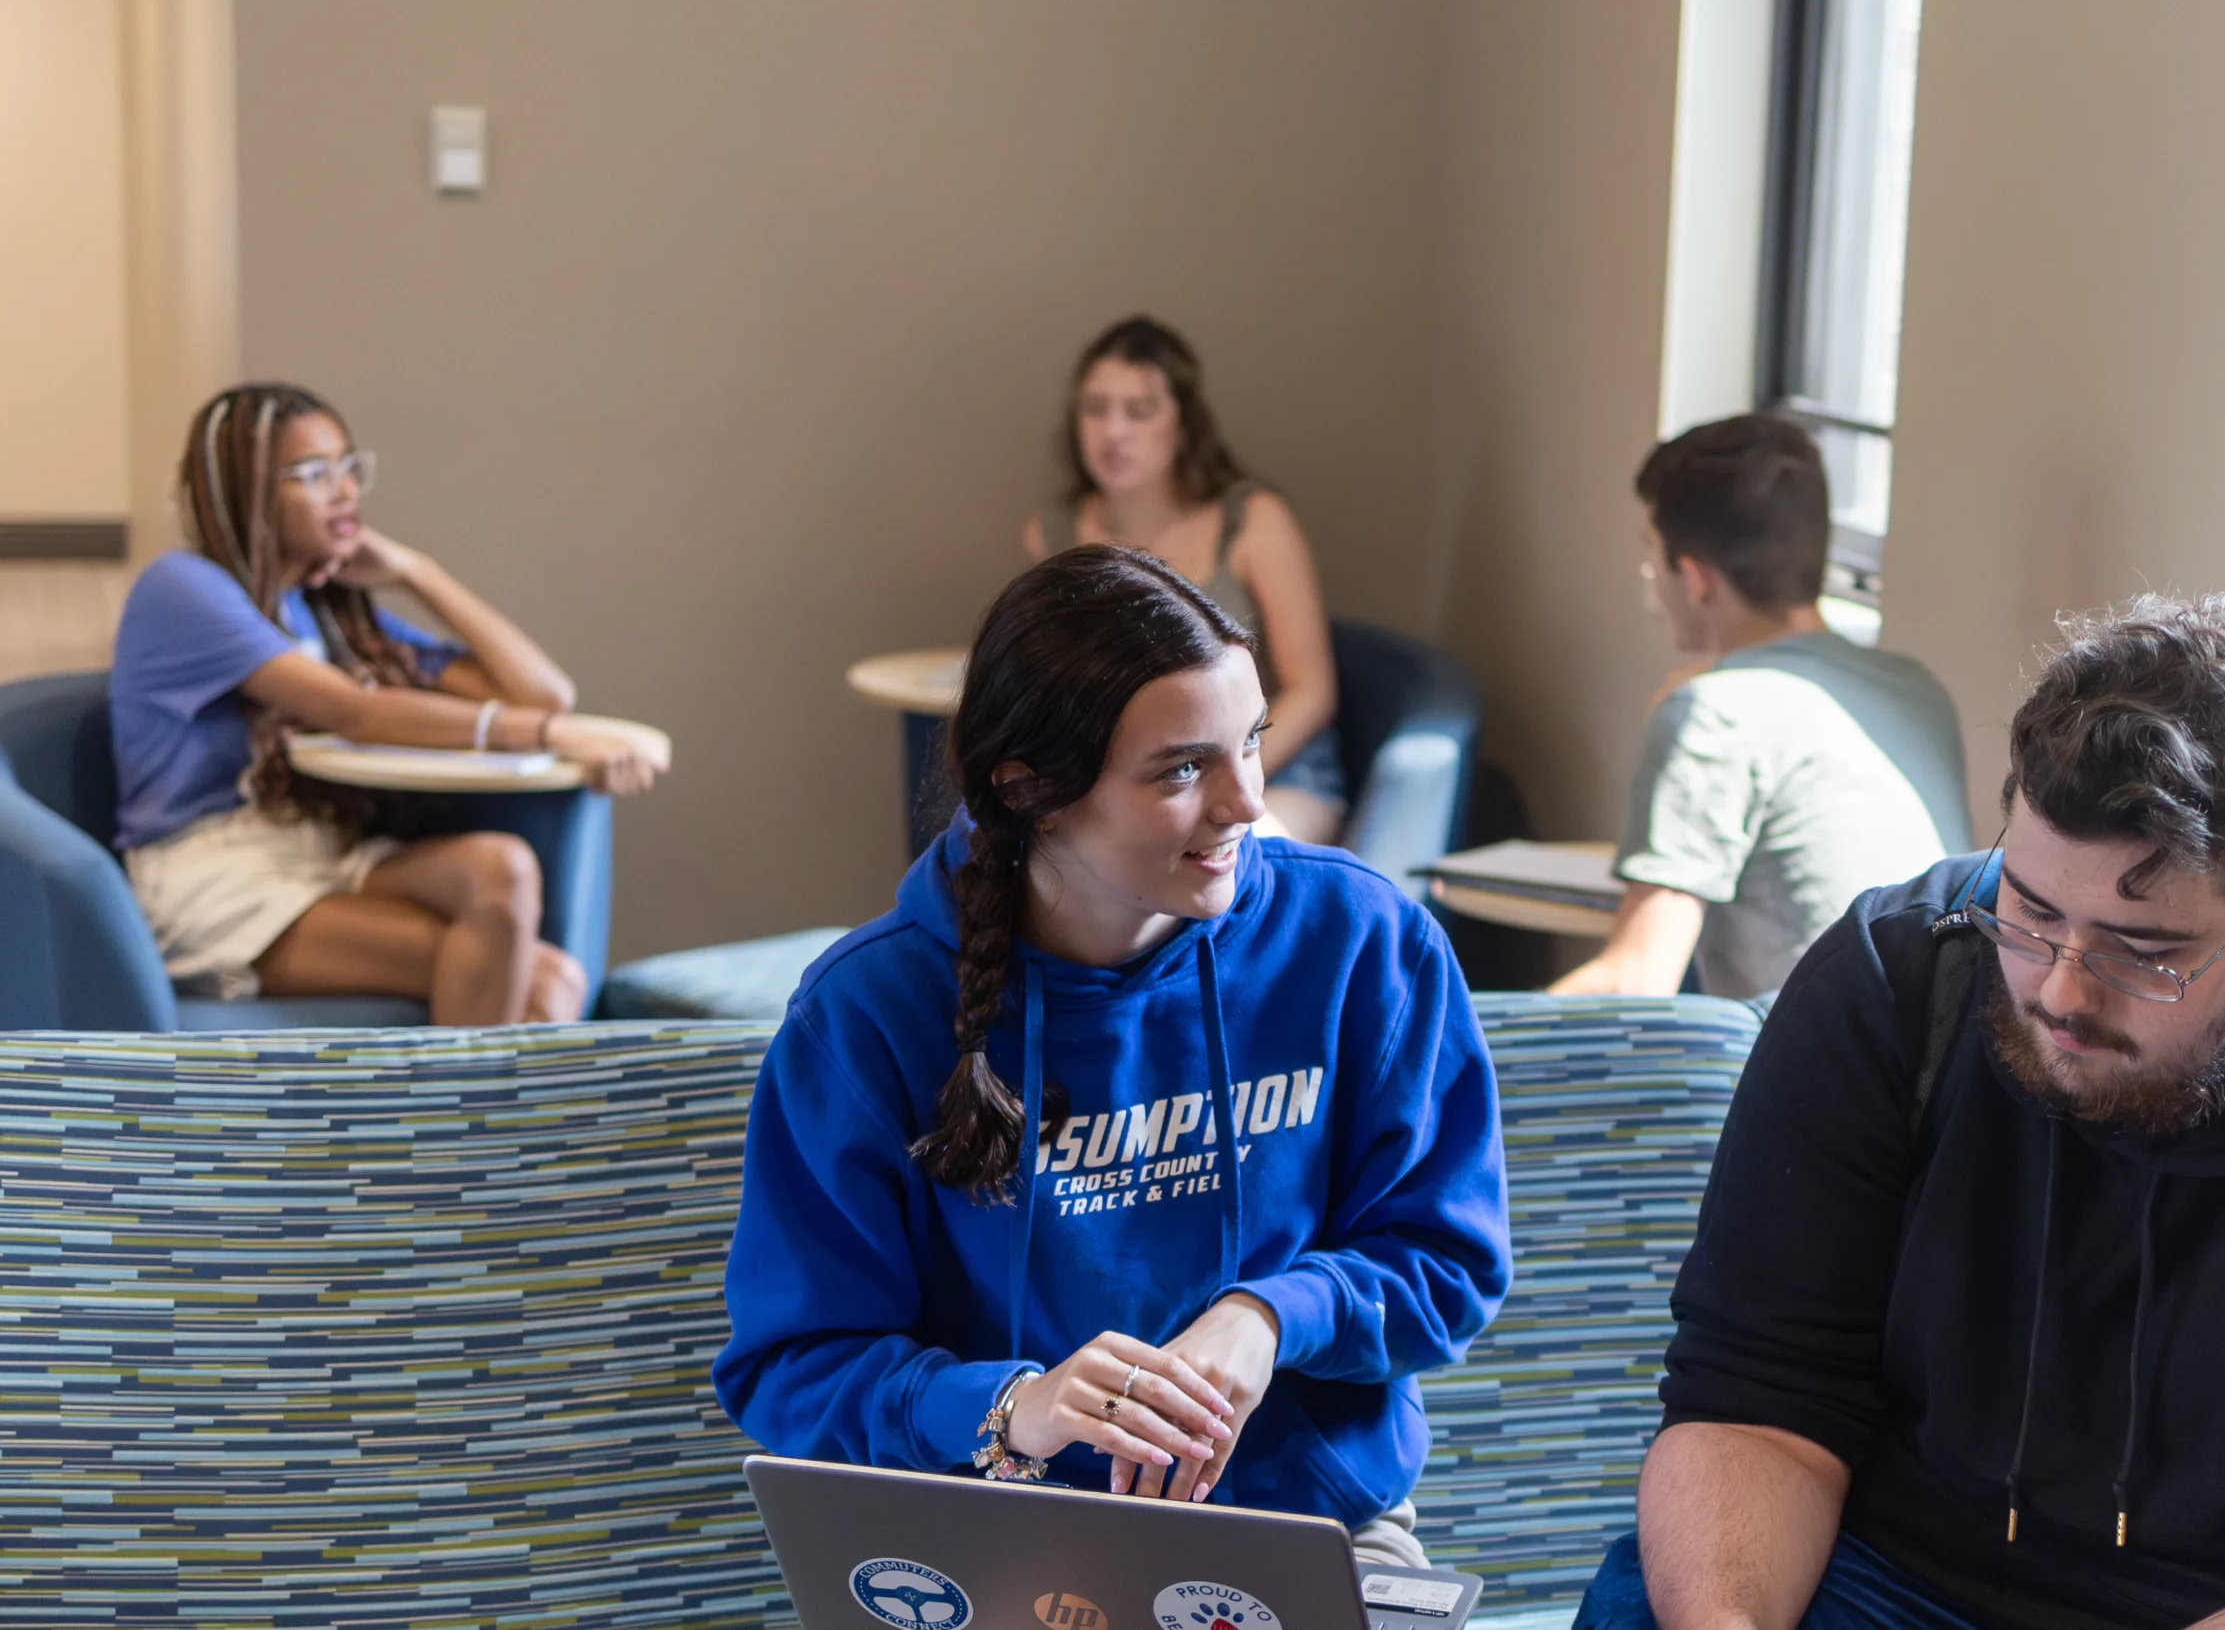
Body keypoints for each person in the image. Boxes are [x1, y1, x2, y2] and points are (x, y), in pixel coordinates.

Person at [1578, 595, 2225, 1630]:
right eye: (2029, 912)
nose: (2062, 993)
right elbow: (1759, 1406)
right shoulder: (1898, 978)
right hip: (1882, 1571)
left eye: (2141, 950)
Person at [714, 545, 1509, 1564]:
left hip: (1310, 1527)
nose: (1245, 804)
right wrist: (1015, 1408)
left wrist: (1269, 1316)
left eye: (1251, 743)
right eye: (1183, 767)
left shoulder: (1360, 939)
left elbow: (1450, 1262)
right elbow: (792, 1367)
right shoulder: (868, 1012)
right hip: (991, 1547)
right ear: (1030, 788)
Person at [110, 382, 664, 1023]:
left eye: (349, 467)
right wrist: (548, 735)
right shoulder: (184, 588)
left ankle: (468, 1121)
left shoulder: (328, 613)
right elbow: (354, 712)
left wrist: (415, 572)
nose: (345, 491)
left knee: (505, 871)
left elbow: (544, 691)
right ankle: (459, 1124)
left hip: (321, 849)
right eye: (313, 474)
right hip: (212, 876)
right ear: (248, 491)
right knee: (540, 983)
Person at [1554, 414, 1969, 1000]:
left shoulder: (1710, 713)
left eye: (1651, 552)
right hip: (1932, 1063)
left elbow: (1636, 982)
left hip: (1807, 1072)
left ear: (1696, 578)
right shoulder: (1916, 689)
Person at [1023, 315, 1347, 843]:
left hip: (1272, 769)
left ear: (1181, 425)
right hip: (1135, 776)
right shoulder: (1054, 533)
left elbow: (1312, 690)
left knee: (1235, 853)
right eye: (1096, 408)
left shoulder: (1253, 520)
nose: (1114, 431)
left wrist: (1221, 770)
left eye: (1139, 410)